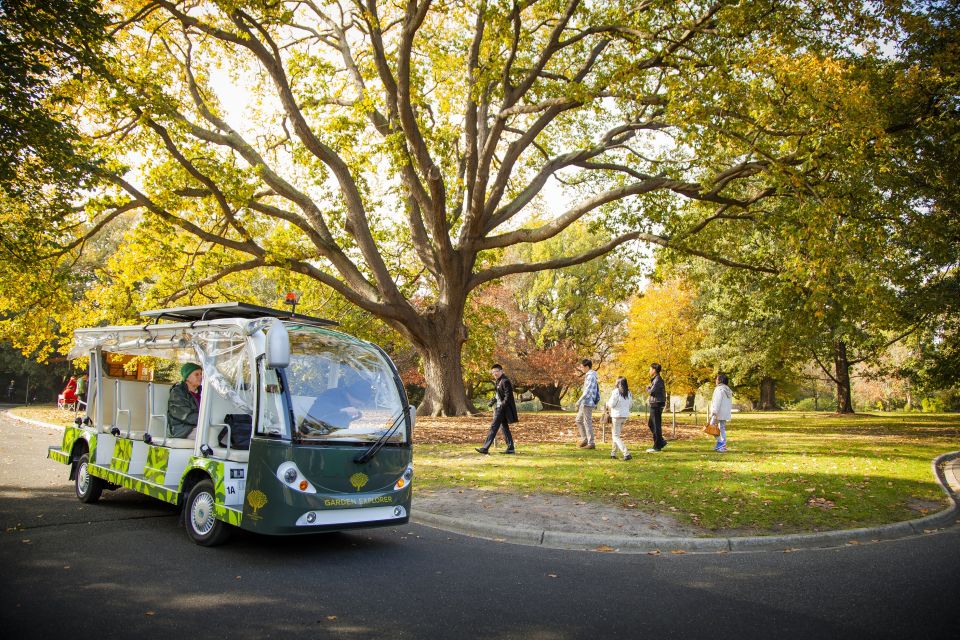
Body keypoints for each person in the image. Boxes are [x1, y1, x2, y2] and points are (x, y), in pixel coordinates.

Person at [476, 363, 517, 454]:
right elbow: (499, 394)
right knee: (504, 428)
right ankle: (511, 448)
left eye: (497, 371)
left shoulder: (505, 381)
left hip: (502, 409)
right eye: (493, 372)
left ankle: (485, 448)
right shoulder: (498, 381)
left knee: (493, 427)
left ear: (502, 371)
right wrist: (493, 400)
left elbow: (508, 396)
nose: (495, 374)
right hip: (500, 408)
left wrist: (501, 406)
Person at [302, 380, 373, 433]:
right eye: (361, 402)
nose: (361, 405)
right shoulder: (330, 394)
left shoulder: (349, 403)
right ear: (352, 396)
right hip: (312, 435)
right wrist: (342, 410)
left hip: (336, 436)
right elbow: (318, 411)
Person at [168, 363, 203, 438]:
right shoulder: (177, 393)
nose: (200, 377)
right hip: (183, 430)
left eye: (201, 374)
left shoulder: (203, 392)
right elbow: (186, 415)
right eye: (196, 374)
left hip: (199, 426)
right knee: (209, 434)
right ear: (187, 377)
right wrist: (205, 420)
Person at [605, 376, 633, 461]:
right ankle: (613, 453)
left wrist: (606, 404)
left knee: (616, 436)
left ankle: (626, 453)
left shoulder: (616, 392)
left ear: (618, 383)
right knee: (616, 435)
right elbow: (631, 405)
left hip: (616, 416)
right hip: (624, 416)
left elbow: (611, 404)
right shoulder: (629, 393)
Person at [575, 358, 600, 449]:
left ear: (587, 367)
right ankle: (585, 439)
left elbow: (587, 392)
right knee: (578, 420)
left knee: (587, 422)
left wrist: (578, 401)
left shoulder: (590, 376)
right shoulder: (589, 375)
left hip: (588, 402)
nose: (581, 368)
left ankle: (591, 443)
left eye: (582, 367)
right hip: (585, 402)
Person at [709, 373, 733, 453]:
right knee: (722, 428)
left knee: (711, 427)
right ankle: (722, 445)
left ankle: (721, 443)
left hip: (718, 412)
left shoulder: (719, 389)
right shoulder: (728, 389)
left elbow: (717, 402)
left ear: (720, 380)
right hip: (724, 413)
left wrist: (714, 412)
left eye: (717, 379)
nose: (716, 380)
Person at [646, 363, 667, 453]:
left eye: (650, 369)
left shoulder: (658, 379)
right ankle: (661, 441)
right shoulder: (655, 380)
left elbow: (652, 391)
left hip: (656, 404)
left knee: (655, 425)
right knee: (651, 424)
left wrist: (648, 388)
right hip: (655, 403)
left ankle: (657, 446)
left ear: (654, 370)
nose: (649, 371)